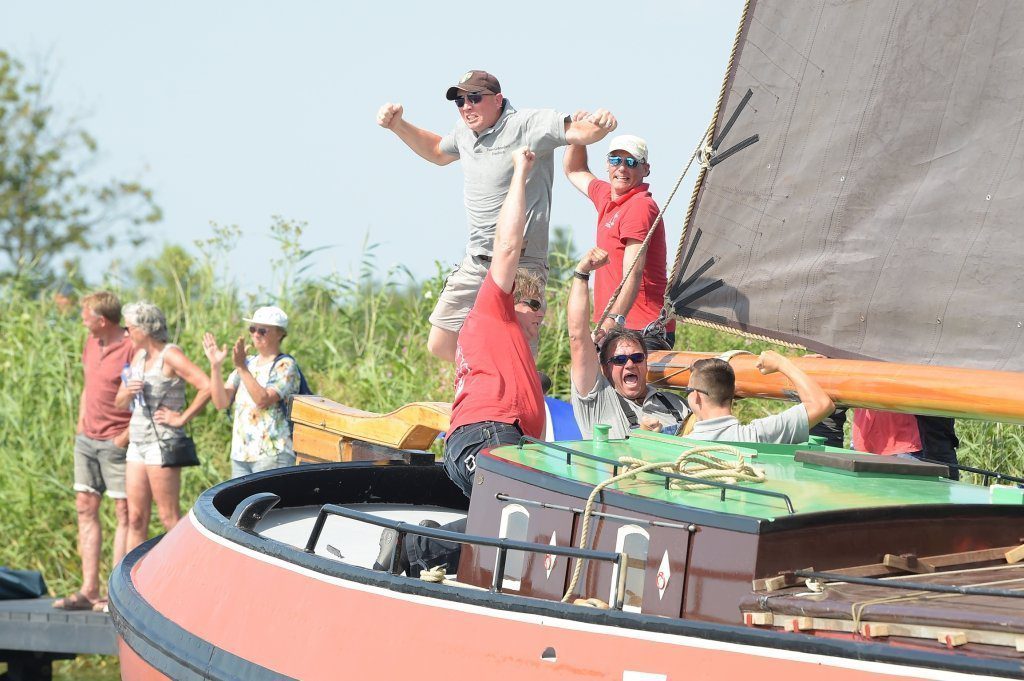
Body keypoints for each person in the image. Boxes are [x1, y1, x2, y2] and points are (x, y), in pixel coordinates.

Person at [375, 147, 544, 575]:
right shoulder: (492, 309)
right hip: (487, 432)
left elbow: (439, 346)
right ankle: (413, 545)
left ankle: (428, 542)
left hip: (488, 435)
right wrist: (521, 174)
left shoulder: (501, 343)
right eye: (536, 303)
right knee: (514, 513)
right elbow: (507, 246)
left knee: (523, 518)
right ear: (513, 300)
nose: (543, 312)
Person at [377, 69, 617, 362]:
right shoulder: (465, 133)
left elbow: (579, 131)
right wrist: (398, 125)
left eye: (475, 98)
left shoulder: (527, 124)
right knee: (440, 341)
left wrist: (601, 127)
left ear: (498, 99)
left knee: (519, 349)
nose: (467, 107)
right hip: (477, 260)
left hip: (523, 263)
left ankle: (519, 390)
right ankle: (487, 380)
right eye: (460, 101)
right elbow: (437, 151)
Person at [53, 292, 134, 612]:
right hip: (86, 440)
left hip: (116, 440)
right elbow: (89, 385)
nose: (82, 320)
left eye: (86, 316)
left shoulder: (130, 347)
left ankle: (114, 591)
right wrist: (80, 424)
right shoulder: (91, 342)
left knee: (123, 512)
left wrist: (124, 437)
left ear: (103, 320)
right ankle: (89, 590)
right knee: (85, 506)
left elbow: (144, 395)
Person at [564, 133, 674, 349]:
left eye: (631, 162)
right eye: (615, 160)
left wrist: (612, 322)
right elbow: (574, 170)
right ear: (607, 164)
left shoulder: (640, 206)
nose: (622, 168)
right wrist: (580, 134)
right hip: (618, 325)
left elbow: (633, 272)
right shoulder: (607, 196)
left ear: (645, 169)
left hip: (640, 329)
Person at [115, 302, 210, 551]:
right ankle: (129, 581)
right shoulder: (139, 357)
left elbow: (206, 386)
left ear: (144, 328)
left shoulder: (170, 355)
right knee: (135, 518)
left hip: (162, 442)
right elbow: (120, 401)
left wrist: (181, 418)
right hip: (137, 441)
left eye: (129, 328)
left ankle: (185, 572)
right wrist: (127, 391)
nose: (126, 333)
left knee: (168, 516)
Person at [568, 247, 689, 439]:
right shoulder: (598, 400)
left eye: (637, 357)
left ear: (646, 362)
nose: (630, 364)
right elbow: (577, 337)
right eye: (620, 360)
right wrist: (582, 273)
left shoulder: (677, 405)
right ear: (605, 369)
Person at [203, 306, 301, 478]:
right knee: (243, 506)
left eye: (262, 330)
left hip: (272, 453)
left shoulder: (285, 365)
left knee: (270, 505)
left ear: (280, 334)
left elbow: (263, 400)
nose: (256, 334)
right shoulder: (248, 362)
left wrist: (241, 367)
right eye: (252, 329)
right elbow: (221, 402)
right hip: (241, 454)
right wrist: (215, 366)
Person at [685, 353, 835, 443]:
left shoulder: (679, 447)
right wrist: (782, 363)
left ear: (696, 396)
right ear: (734, 395)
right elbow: (822, 404)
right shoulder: (758, 435)